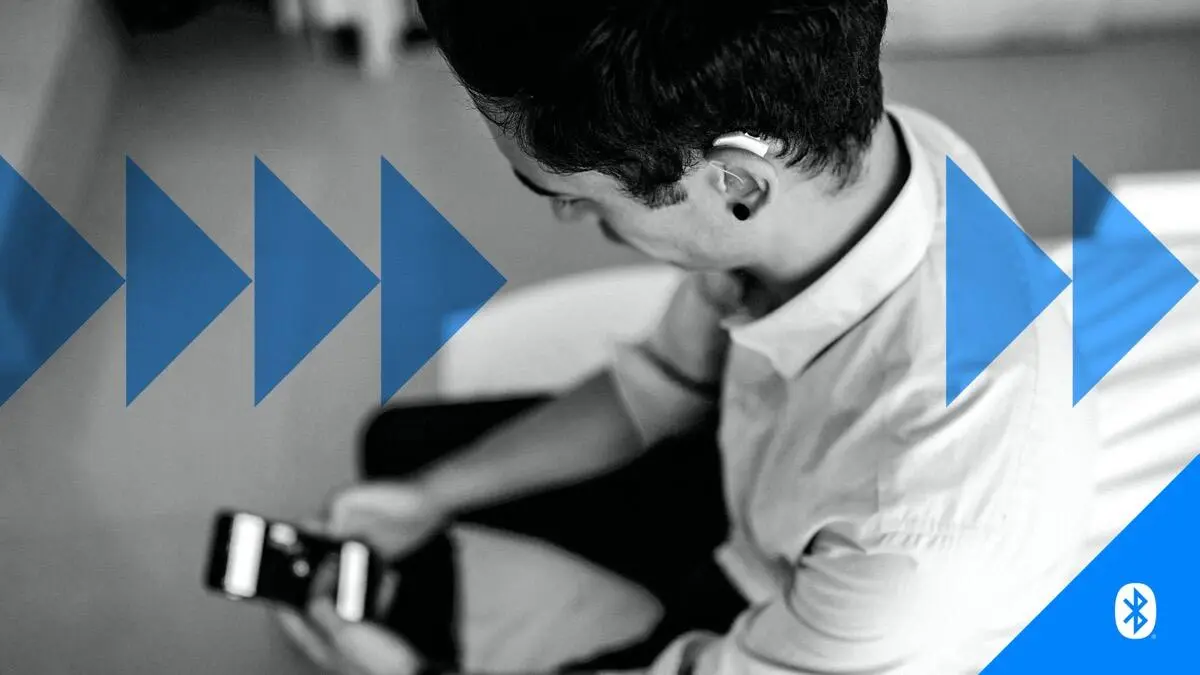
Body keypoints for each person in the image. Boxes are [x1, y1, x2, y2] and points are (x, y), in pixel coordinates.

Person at [291, 1, 1099, 673]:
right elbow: (661, 383)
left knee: (405, 623)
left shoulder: (921, 537)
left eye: (573, 194)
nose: (566, 216)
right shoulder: (841, 157)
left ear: (735, 184)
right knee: (394, 455)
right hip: (745, 477)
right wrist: (431, 496)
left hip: (798, 597)